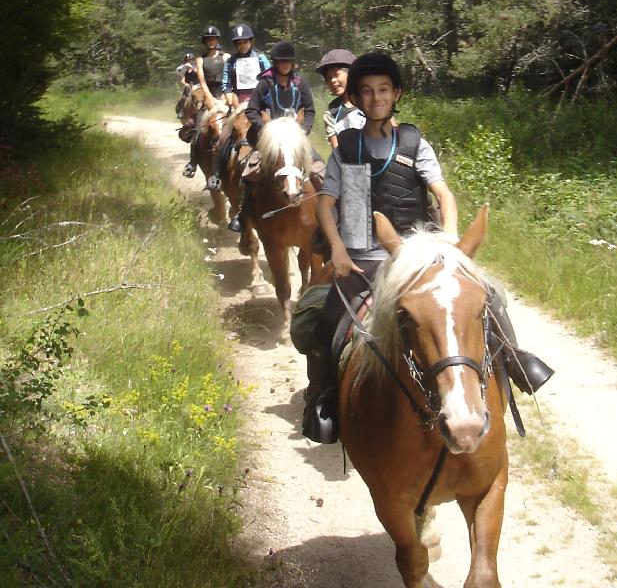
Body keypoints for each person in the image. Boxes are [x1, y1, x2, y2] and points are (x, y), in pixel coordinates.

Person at [301, 51, 552, 443]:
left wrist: (451, 239)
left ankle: (513, 363)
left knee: (490, 297)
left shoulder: (414, 140)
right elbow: (326, 202)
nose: (375, 97)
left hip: (418, 249)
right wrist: (336, 248)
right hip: (363, 252)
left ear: (396, 92)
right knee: (327, 323)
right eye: (366, 91)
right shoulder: (347, 147)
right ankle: (324, 398)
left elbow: (442, 193)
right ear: (355, 98)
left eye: (383, 89)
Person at [228, 40, 319, 233]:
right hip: (270, 139)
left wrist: (304, 130)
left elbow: (310, 110)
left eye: (288, 61)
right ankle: (243, 214)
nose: (285, 64)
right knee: (249, 172)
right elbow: (252, 110)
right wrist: (267, 131)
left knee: (321, 169)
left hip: (295, 137)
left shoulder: (300, 84)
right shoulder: (265, 83)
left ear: (293, 63)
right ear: (275, 63)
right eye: (280, 61)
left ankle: (329, 216)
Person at [206, 23, 270, 193]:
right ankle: (216, 175)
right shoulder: (231, 61)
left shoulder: (261, 58)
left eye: (245, 42)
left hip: (260, 105)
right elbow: (226, 84)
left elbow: (270, 80)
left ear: (251, 41)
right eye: (238, 43)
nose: (242, 45)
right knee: (223, 137)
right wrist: (230, 99)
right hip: (237, 105)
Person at [182, 26, 228, 179]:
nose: (210, 41)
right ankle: (193, 162)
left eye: (213, 38)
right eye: (208, 39)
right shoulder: (201, 59)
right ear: (205, 41)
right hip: (209, 95)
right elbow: (202, 80)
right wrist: (208, 97)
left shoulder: (226, 57)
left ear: (217, 40)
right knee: (198, 128)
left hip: (225, 95)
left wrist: (225, 96)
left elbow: (229, 78)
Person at [315, 48, 362, 147]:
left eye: (336, 75)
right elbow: (336, 151)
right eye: (328, 78)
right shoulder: (332, 113)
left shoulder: (370, 102)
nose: (332, 80)